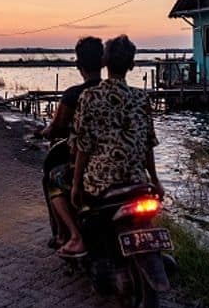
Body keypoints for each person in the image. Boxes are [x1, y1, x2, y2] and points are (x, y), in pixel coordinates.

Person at [58, 34, 164, 258]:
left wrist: (76, 185)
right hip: (137, 179)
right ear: (132, 65)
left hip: (101, 181)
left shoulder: (91, 96)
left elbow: (82, 147)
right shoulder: (141, 98)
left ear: (104, 63)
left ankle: (78, 239)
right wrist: (154, 180)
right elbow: (148, 144)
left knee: (61, 183)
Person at [38, 37, 103, 251]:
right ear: (103, 62)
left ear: (78, 65)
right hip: (116, 163)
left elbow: (57, 127)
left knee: (53, 180)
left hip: (85, 166)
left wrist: (43, 131)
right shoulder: (117, 94)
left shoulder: (77, 95)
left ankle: (68, 235)